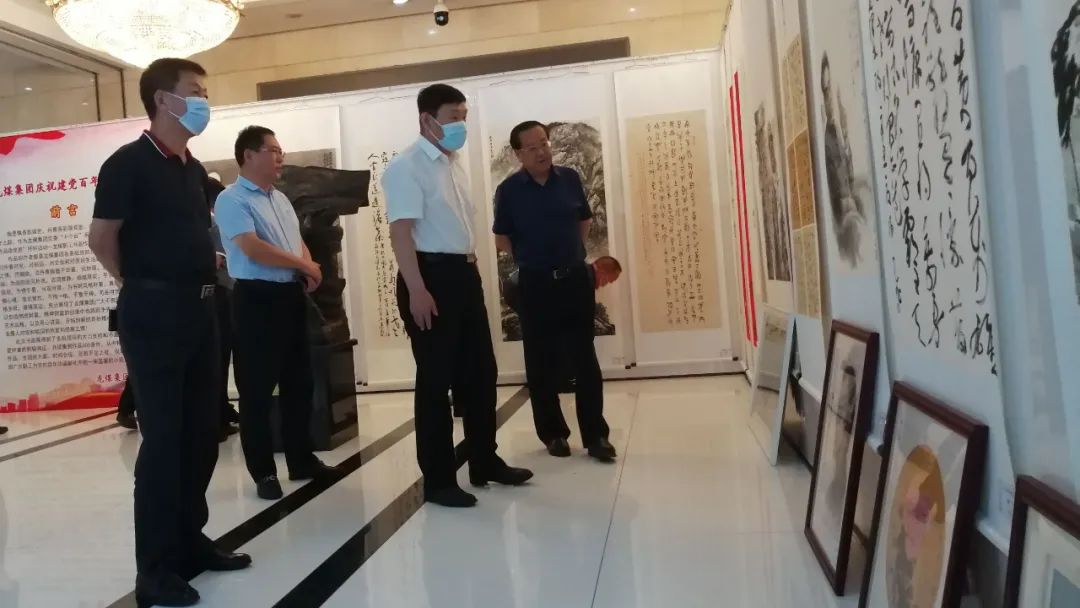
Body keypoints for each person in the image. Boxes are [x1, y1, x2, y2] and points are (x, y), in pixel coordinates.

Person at [89, 58, 250, 608]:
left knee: (202, 433)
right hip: (155, 312)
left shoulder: (190, 167)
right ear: (163, 99)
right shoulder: (127, 163)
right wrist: (140, 284)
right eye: (195, 91)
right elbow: (102, 238)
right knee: (163, 442)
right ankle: (154, 569)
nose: (204, 101)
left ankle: (188, 541)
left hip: (202, 311)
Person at [383, 83, 533, 508]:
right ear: (427, 119)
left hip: (463, 275)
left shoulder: (454, 163)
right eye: (453, 117)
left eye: (464, 117)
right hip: (429, 278)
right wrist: (417, 289)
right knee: (436, 381)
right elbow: (400, 233)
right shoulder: (407, 167)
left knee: (481, 373)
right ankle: (438, 479)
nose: (461, 125)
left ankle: (484, 459)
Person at [215, 125, 338, 501]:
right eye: (273, 150)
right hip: (256, 299)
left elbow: (295, 240)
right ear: (248, 155)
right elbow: (252, 247)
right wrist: (304, 266)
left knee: (300, 382)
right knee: (257, 389)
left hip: (289, 296)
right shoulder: (232, 199)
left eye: (280, 150)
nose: (280, 156)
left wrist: (308, 266)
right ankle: (264, 472)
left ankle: (301, 459)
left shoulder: (280, 198)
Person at [493, 120, 615, 461]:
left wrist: (569, 254)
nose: (541, 152)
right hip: (535, 284)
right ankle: (553, 433)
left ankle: (596, 436)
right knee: (540, 360)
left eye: (544, 143)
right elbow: (502, 238)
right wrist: (532, 259)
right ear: (518, 154)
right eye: (532, 148)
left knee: (584, 358)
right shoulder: (509, 190)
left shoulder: (570, 179)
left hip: (574, 279)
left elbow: (584, 220)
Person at [113, 177, 240, 442]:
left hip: (206, 294)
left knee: (207, 360)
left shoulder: (203, 221)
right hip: (194, 297)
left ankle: (216, 414)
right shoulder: (192, 223)